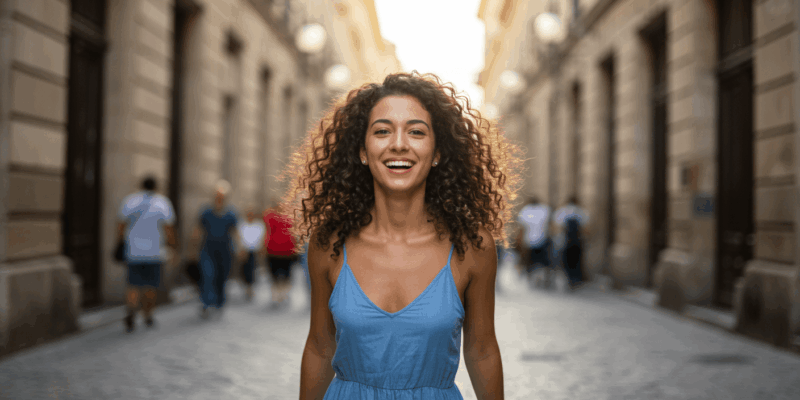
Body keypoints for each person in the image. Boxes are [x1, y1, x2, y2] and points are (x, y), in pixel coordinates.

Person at [286, 72, 521, 399]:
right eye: (382, 131)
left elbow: (481, 351)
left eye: (416, 132)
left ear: (437, 152)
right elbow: (320, 348)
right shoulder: (328, 244)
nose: (399, 144)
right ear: (362, 151)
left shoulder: (472, 246)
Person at [117, 176, 176, 332]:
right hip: (154, 252)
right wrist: (172, 246)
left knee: (133, 284)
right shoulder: (162, 203)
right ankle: (148, 315)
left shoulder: (130, 201)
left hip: (134, 250)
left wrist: (121, 242)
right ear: (156, 187)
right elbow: (169, 229)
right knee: (150, 286)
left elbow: (121, 225)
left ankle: (131, 310)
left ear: (141, 185)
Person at [191, 180, 239, 318]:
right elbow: (198, 230)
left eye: (222, 195)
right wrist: (192, 249)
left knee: (221, 277)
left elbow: (235, 232)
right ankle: (206, 303)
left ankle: (219, 302)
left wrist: (240, 249)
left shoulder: (231, 213)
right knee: (208, 275)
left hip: (225, 251)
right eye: (217, 195)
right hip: (208, 250)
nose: (219, 198)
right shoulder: (206, 211)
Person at [264, 201, 298, 308]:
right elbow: (267, 231)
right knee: (277, 275)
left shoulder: (288, 216)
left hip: (285, 251)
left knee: (284, 275)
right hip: (274, 250)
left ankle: (282, 295)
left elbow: (294, 233)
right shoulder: (271, 215)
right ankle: (279, 296)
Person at [553, 196, 590, 290]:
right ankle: (576, 279)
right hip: (578, 241)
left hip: (565, 241)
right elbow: (586, 228)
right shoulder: (581, 211)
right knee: (577, 260)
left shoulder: (562, 211)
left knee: (566, 260)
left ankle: (568, 278)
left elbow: (557, 226)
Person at [517, 196, 552, 289]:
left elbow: (521, 228)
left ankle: (531, 279)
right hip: (543, 239)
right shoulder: (545, 209)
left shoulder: (525, 210)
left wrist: (519, 241)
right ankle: (544, 280)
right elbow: (550, 224)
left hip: (528, 241)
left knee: (530, 262)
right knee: (544, 262)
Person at [238, 206, 266, 302]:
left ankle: (251, 289)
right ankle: (246, 288)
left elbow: (262, 237)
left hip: (254, 251)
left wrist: (261, 249)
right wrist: (240, 250)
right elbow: (239, 237)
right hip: (244, 250)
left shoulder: (259, 225)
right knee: (245, 270)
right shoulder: (242, 224)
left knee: (253, 270)